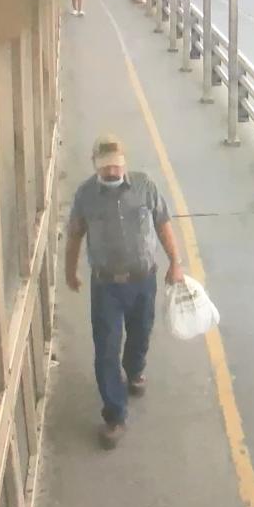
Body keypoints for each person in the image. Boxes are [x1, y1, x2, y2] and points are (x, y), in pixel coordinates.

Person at [65, 134, 184, 447]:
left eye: (117, 167)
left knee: (141, 332)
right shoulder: (85, 195)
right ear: (95, 167)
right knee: (106, 347)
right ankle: (115, 415)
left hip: (143, 279)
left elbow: (163, 224)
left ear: (125, 164)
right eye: (106, 169)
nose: (113, 173)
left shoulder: (144, 187)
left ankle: (134, 371)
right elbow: (76, 235)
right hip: (106, 285)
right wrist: (70, 270)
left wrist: (176, 262)